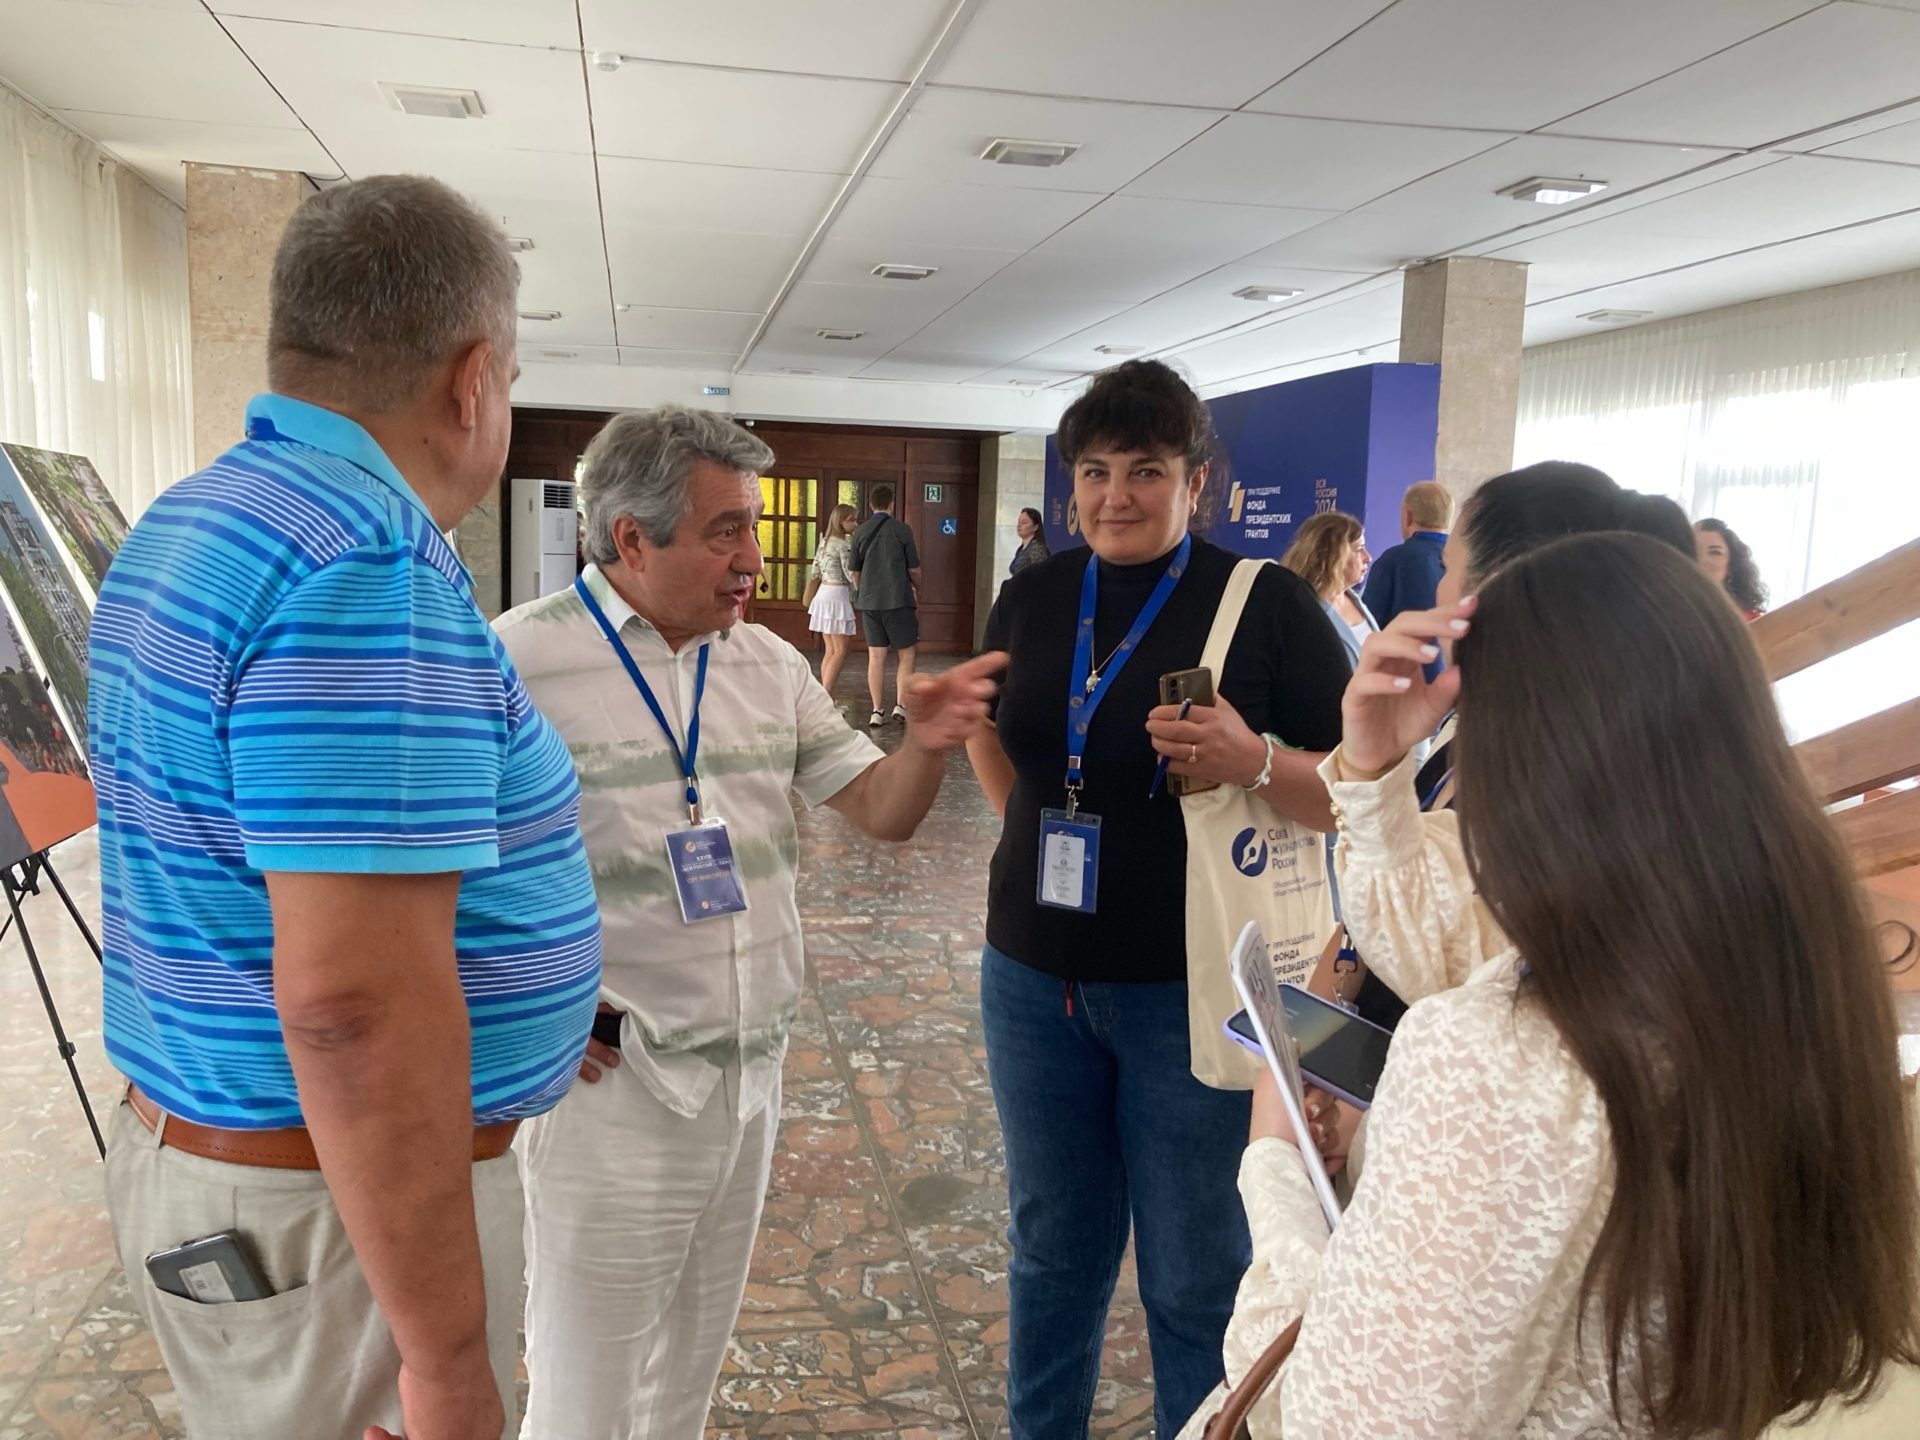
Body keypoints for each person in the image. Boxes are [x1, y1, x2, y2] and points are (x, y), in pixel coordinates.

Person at [1182, 533, 1920, 1438]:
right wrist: (1369, 779)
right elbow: (1426, 941)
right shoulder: (1790, 973)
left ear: (1527, 769)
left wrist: (1275, 1166)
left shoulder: (1496, 1055)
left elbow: (1334, 1420)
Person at [86, 175, 602, 1440]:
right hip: (335, 1215)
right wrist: (447, 1362)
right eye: (512, 376)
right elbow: (355, 1008)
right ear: (472, 382)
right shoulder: (366, 566)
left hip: (255, 1171)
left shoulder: (199, 516)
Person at [494, 405, 1001, 1440]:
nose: (754, 561)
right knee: (587, 1396)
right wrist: (516, 1002)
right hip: (612, 1093)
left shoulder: (765, 663)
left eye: (754, 528)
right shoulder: (515, 664)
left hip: (750, 1080)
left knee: (684, 1386)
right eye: (725, 530)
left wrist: (928, 745)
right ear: (631, 538)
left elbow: (882, 812)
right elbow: (432, 872)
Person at [964, 359, 1351, 1440]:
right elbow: (996, 730)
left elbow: (1357, 799)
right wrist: (1031, 831)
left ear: (1197, 481)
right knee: (1050, 1253)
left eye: (1145, 470)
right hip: (1031, 980)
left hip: (1192, 993)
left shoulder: (1264, 605)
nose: (1115, 496)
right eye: (1094, 471)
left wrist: (1251, 757)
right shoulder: (1037, 594)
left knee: (1194, 1272)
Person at [1325, 460, 1697, 1033]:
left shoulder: (1567, 806)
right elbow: (1385, 928)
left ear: (1504, 592)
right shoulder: (1480, 743)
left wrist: (1367, 770)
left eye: (1448, 568)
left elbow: (1442, 965)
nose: (1437, 588)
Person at [1361, 479, 1453, 677]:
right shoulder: (1469, 562)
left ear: (1407, 516)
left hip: (1403, 680)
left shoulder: (1394, 560)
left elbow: (1368, 626)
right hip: (1459, 682)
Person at [847, 483, 920, 729]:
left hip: (870, 603)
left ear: (871, 505)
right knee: (906, 655)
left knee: (876, 657)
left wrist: (864, 591)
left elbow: (854, 571)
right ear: (891, 504)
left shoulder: (860, 532)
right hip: (899, 600)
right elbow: (914, 569)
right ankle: (901, 706)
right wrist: (918, 587)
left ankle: (877, 711)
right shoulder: (902, 530)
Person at [1280, 510, 1376, 668]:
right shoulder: (1303, 609)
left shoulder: (1353, 598)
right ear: (1333, 555)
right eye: (1359, 549)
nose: (1368, 557)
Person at [808, 501, 859, 696]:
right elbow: (849, 573)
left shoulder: (824, 542)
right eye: (851, 520)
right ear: (840, 522)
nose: (855, 524)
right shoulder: (844, 544)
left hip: (823, 593)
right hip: (837, 596)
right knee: (840, 650)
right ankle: (826, 696)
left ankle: (826, 697)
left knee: (830, 649)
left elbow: (815, 570)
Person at [1695, 516, 1769, 618]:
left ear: (1731, 566)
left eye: (1715, 552)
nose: (1702, 559)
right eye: (1694, 550)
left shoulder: (1751, 622)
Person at [1010, 505, 1049, 576]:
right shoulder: (1020, 549)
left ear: (1035, 527)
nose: (1019, 525)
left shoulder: (1037, 548)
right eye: (1019, 522)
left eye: (1024, 522)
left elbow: (1041, 574)